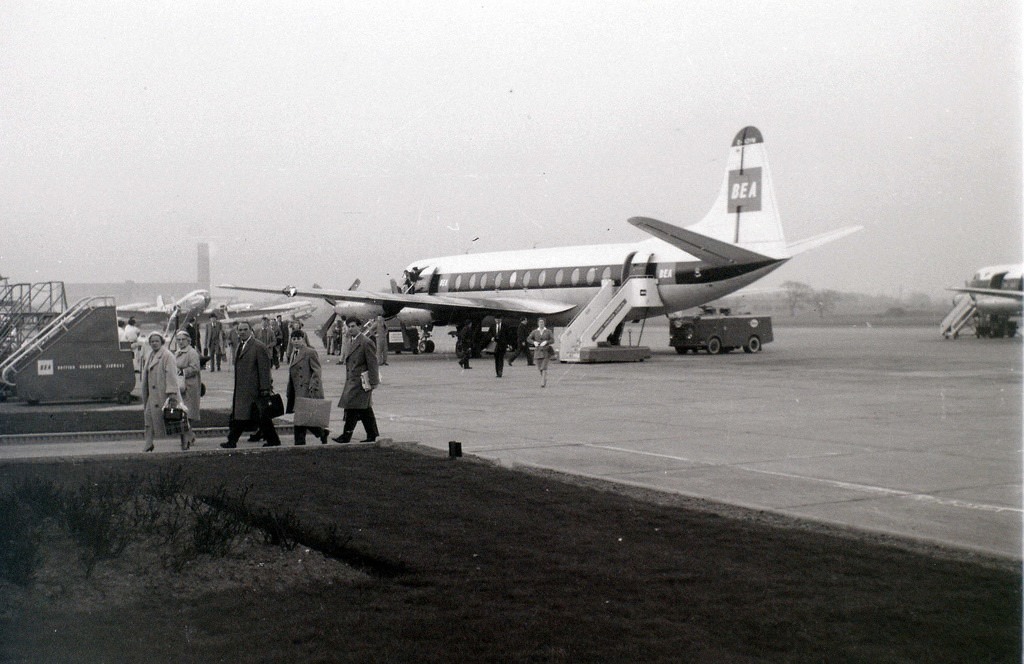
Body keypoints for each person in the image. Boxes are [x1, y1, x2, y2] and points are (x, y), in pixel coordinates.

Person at [220, 320, 281, 448]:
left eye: (245, 329)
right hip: (243, 389)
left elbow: (264, 369)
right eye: (240, 330)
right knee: (244, 416)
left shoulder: (258, 346)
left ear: (250, 331)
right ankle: (233, 440)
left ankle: (234, 441)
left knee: (258, 417)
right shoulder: (240, 346)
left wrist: (265, 388)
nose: (242, 332)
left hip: (255, 390)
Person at [332, 317, 380, 443]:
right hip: (352, 381)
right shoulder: (350, 341)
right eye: (349, 326)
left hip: (361, 382)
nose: (351, 329)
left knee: (353, 408)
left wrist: (374, 381)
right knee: (363, 409)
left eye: (353, 326)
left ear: (359, 326)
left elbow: (373, 363)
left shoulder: (366, 342)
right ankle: (371, 434)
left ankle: (347, 435)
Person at [140, 332, 189, 452]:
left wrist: (172, 393)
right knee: (148, 419)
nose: (154, 343)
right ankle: (148, 443)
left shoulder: (167, 355)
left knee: (176, 419)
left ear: (162, 342)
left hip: (165, 394)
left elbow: (171, 375)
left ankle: (185, 440)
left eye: (157, 341)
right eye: (152, 341)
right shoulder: (150, 354)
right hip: (153, 396)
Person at [286, 329, 329, 445]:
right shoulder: (292, 353)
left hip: (306, 389)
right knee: (303, 418)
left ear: (303, 339)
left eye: (298, 339)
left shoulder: (310, 352)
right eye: (293, 339)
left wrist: (313, 386)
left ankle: (299, 442)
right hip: (296, 390)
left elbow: (317, 370)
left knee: (301, 418)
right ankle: (321, 432)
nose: (296, 341)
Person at [172, 330, 200, 450]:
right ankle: (189, 435)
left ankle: (189, 436)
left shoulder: (191, 352)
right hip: (180, 385)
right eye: (178, 340)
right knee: (182, 413)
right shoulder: (177, 352)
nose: (180, 342)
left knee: (187, 413)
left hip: (190, 386)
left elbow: (195, 368)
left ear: (188, 340)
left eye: (183, 339)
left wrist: (181, 371)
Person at [527, 318, 555, 388]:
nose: (541, 324)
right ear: (538, 323)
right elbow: (528, 339)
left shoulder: (548, 331)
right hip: (538, 352)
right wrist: (534, 342)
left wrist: (547, 342)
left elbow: (552, 340)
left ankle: (543, 382)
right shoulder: (535, 331)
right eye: (540, 322)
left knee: (544, 367)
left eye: (542, 322)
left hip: (546, 351)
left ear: (544, 323)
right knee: (540, 368)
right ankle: (544, 377)